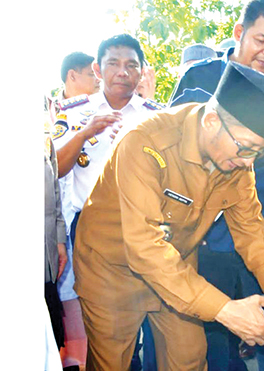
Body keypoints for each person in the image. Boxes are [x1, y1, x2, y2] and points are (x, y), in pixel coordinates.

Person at [72, 60, 264, 370]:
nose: (249, 161)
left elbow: (251, 230)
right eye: (247, 148)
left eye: (260, 151)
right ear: (213, 121)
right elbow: (145, 246)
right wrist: (226, 310)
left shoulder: (237, 159)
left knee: (189, 357)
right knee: (112, 362)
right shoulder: (146, 142)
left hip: (178, 264)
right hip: (111, 269)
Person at [169, 2, 264, 369]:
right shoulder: (200, 79)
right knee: (212, 337)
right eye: (262, 40)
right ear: (238, 33)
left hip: (263, 237)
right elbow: (172, 155)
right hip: (204, 239)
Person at [51, 33, 165, 370]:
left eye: (131, 65)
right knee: (102, 327)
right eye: (113, 63)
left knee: (141, 320)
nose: (122, 72)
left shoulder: (156, 116)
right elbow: (54, 169)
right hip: (91, 235)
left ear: (141, 70)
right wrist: (85, 134)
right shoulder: (75, 113)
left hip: (143, 232)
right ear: (98, 69)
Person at [44, 120, 68, 356]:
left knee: (50, 337)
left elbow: (55, 191)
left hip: (46, 254)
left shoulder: (42, 136)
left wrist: (60, 241)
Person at [47, 52, 101, 123]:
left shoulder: (104, 106)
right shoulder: (51, 108)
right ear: (72, 75)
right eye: (92, 74)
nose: (99, 79)